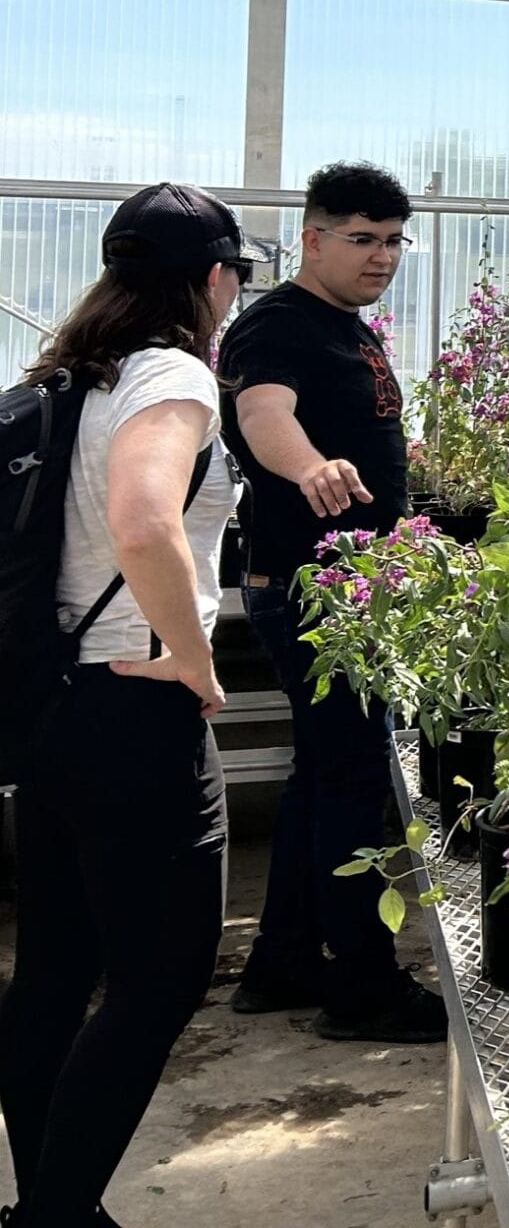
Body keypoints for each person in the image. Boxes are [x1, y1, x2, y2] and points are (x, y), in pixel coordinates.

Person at [0, 184, 243, 1227]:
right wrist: (193, 660)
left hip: (46, 707)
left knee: (55, 964)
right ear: (215, 278)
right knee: (159, 977)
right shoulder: (172, 370)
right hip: (133, 708)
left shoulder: (58, 378)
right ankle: (56, 1217)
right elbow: (146, 522)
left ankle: (48, 1203)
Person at [220, 161, 445, 1043]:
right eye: (362, 239)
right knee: (354, 786)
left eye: (393, 240)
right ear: (312, 239)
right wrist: (309, 464)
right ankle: (361, 986)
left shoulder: (350, 329)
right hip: (316, 595)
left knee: (323, 777)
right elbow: (264, 415)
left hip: (354, 589)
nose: (381, 256)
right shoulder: (277, 324)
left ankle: (280, 963)